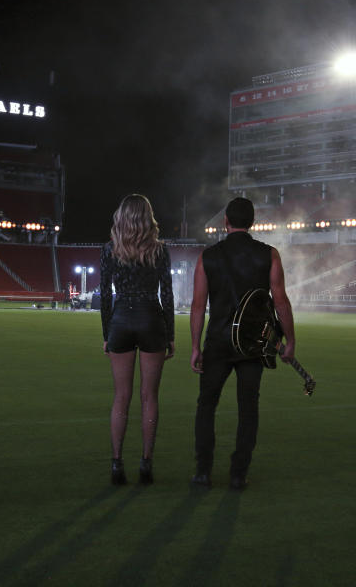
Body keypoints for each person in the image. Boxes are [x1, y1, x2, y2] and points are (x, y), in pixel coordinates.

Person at [189, 197, 295, 490]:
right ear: (253, 223)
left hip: (218, 343)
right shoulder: (269, 254)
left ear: (225, 222)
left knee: (206, 406)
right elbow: (281, 302)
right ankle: (238, 474)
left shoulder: (207, 257)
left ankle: (202, 472)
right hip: (252, 345)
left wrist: (196, 346)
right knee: (248, 408)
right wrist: (290, 340)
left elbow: (198, 306)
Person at [100, 194, 175, 485]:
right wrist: (170, 335)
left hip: (120, 319)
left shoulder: (110, 250)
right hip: (151, 318)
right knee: (149, 397)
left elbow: (106, 296)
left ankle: (117, 463)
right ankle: (146, 463)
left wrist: (107, 334)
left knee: (121, 397)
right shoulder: (159, 251)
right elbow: (166, 294)